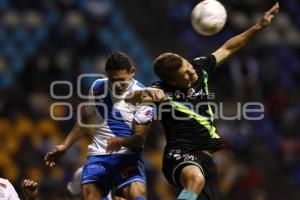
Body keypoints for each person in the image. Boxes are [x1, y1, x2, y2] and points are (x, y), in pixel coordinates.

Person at [107, 3, 279, 200]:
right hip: (179, 154)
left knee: (200, 184)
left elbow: (229, 47)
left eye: (188, 65)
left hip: (207, 160)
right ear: (171, 81)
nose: (191, 72)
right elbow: (131, 97)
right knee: (195, 180)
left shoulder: (199, 69)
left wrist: (258, 26)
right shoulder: (160, 89)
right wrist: (144, 93)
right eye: (185, 73)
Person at [44, 52, 153, 200]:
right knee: (89, 195)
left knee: (138, 195)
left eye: (122, 80)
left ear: (132, 72)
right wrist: (65, 145)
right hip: (99, 156)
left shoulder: (143, 96)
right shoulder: (97, 87)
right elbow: (86, 120)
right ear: (106, 74)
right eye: (112, 80)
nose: (117, 85)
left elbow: (140, 138)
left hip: (127, 158)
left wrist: (121, 141)